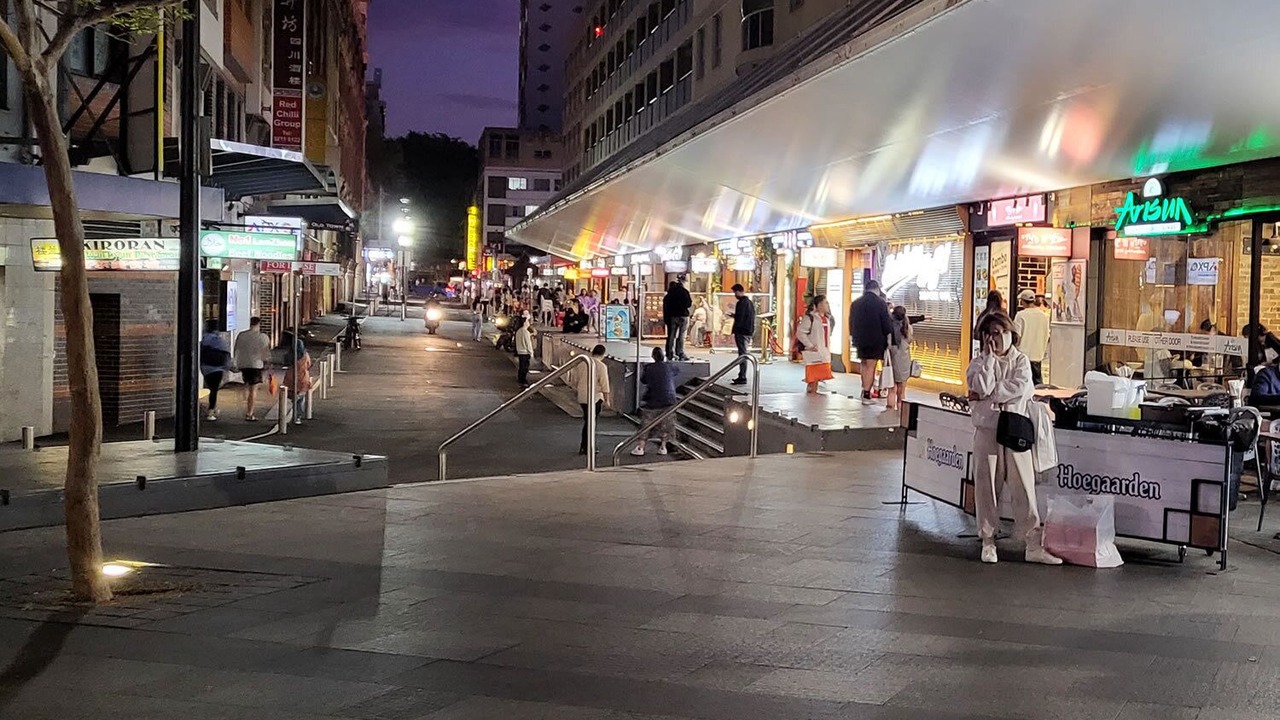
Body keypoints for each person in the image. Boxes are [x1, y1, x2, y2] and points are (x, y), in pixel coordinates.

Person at [966, 311, 1062, 566]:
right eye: (989, 334)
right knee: (987, 487)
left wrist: (987, 396)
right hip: (987, 431)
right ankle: (988, 540)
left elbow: (1019, 388)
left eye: (999, 333)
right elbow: (981, 385)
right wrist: (988, 364)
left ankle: (1033, 543)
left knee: (1024, 487)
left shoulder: (1021, 362)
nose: (994, 339)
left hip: (1015, 431)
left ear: (1011, 334)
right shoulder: (977, 362)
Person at [849, 280, 893, 404]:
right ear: (877, 289)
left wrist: (853, 335)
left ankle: (864, 389)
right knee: (870, 366)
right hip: (875, 340)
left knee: (863, 364)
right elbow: (886, 324)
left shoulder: (856, 303)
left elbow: (851, 322)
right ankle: (867, 394)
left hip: (860, 339)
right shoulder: (880, 303)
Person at [632, 347, 679, 456]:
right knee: (666, 424)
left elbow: (643, 380)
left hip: (653, 400)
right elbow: (677, 371)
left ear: (653, 356)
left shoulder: (649, 368)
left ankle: (640, 447)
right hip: (669, 400)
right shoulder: (669, 367)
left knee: (646, 423)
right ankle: (663, 447)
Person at [232, 316, 272, 421]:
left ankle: (244, 406)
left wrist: (236, 363)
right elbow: (265, 353)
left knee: (246, 385)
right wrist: (267, 364)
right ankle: (249, 413)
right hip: (256, 365)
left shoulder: (241, 335)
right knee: (253, 390)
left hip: (243, 364)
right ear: (259, 324)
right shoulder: (263, 337)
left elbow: (236, 349)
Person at [576, 344, 612, 455]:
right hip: (594, 397)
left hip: (582, 396)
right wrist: (607, 400)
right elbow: (605, 385)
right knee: (591, 422)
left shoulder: (582, 363)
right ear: (603, 354)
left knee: (588, 421)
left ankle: (584, 446)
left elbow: (576, 379)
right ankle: (588, 447)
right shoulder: (601, 366)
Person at [796, 295, 835, 394]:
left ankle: (814, 394)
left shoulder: (827, 319)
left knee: (819, 376)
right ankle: (811, 395)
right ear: (819, 305)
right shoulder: (810, 318)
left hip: (823, 352)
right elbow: (800, 332)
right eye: (825, 303)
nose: (827, 305)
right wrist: (810, 345)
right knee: (813, 378)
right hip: (814, 352)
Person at [1012, 289, 1050, 385]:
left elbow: (1016, 336)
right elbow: (1047, 335)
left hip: (1023, 358)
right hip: (1038, 357)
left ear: (1022, 301)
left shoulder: (1020, 315)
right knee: (1037, 387)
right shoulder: (1043, 316)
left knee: (1022, 386)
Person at [199, 319, 231, 421]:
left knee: (211, 388)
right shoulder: (219, 340)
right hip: (217, 368)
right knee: (214, 390)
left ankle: (214, 407)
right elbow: (226, 353)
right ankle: (211, 410)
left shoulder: (203, 338)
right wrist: (227, 367)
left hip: (205, 367)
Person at [276, 330, 311, 417]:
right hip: (302, 376)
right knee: (299, 396)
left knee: (291, 394)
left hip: (290, 376)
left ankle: (296, 412)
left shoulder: (289, 355)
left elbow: (286, 362)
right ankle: (297, 414)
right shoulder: (305, 355)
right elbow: (309, 364)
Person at [886, 306, 914, 410]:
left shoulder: (890, 328)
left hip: (892, 359)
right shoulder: (908, 327)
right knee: (902, 389)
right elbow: (910, 340)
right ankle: (900, 410)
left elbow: (888, 344)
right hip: (905, 359)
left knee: (892, 388)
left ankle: (890, 409)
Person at [729, 284, 756, 385]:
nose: (735, 295)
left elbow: (740, 319)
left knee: (742, 354)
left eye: (735, 292)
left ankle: (742, 376)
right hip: (748, 331)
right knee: (743, 353)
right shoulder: (749, 302)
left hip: (742, 332)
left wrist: (736, 330)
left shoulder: (741, 303)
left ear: (739, 291)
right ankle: (742, 375)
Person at [662, 277, 693, 361]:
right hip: (683, 315)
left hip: (673, 316)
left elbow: (666, 307)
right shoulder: (685, 292)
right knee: (681, 336)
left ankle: (669, 353)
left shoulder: (669, 295)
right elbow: (689, 304)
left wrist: (666, 319)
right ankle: (680, 352)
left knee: (671, 336)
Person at [515, 315, 534, 387]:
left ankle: (520, 379)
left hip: (519, 351)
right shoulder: (525, 332)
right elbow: (528, 343)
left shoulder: (519, 331)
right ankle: (523, 380)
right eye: (527, 321)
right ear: (524, 323)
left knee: (521, 366)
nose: (528, 323)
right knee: (525, 367)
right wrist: (531, 353)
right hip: (525, 352)